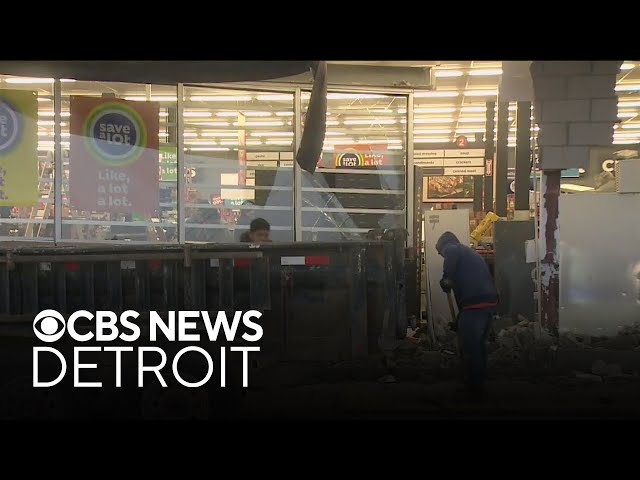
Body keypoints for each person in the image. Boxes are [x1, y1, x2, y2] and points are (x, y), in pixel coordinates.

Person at [436, 231, 498, 401]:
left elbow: (451, 253)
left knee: (470, 346)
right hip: (488, 302)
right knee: (479, 346)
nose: (443, 255)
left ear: (443, 245)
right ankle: (479, 383)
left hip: (475, 303)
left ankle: (473, 388)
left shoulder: (452, 248)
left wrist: (446, 278)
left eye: (441, 253)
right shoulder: (471, 254)